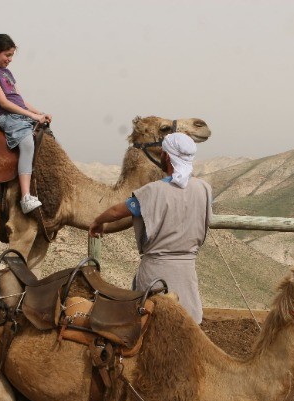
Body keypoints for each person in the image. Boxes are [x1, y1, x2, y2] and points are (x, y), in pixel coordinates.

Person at [89, 132, 212, 324]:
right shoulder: (204, 188)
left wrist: (98, 222)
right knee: (188, 323)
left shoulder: (152, 192)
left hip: (156, 273)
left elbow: (115, 211)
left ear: (167, 156)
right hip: (187, 271)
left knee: (149, 324)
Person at [0, 34, 52, 214]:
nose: (10, 60)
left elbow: (20, 100)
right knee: (27, 144)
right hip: (6, 115)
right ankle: (25, 197)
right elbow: (3, 103)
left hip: (19, 113)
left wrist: (38, 113)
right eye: (7, 55)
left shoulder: (7, 73)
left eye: (12, 56)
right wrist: (32, 116)